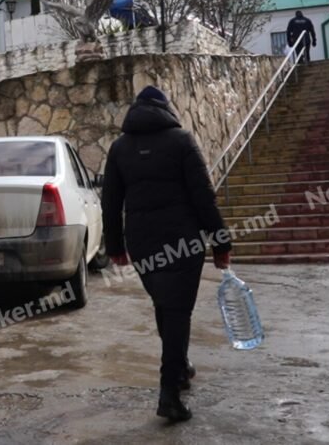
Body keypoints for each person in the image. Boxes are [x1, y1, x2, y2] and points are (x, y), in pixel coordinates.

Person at [101, 86, 232, 423]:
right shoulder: (182, 141)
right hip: (182, 242)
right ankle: (169, 392)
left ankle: (181, 367)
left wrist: (115, 247)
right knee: (176, 311)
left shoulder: (119, 148)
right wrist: (221, 243)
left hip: (143, 245)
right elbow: (204, 196)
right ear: (166, 109)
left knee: (166, 307)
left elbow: (111, 202)